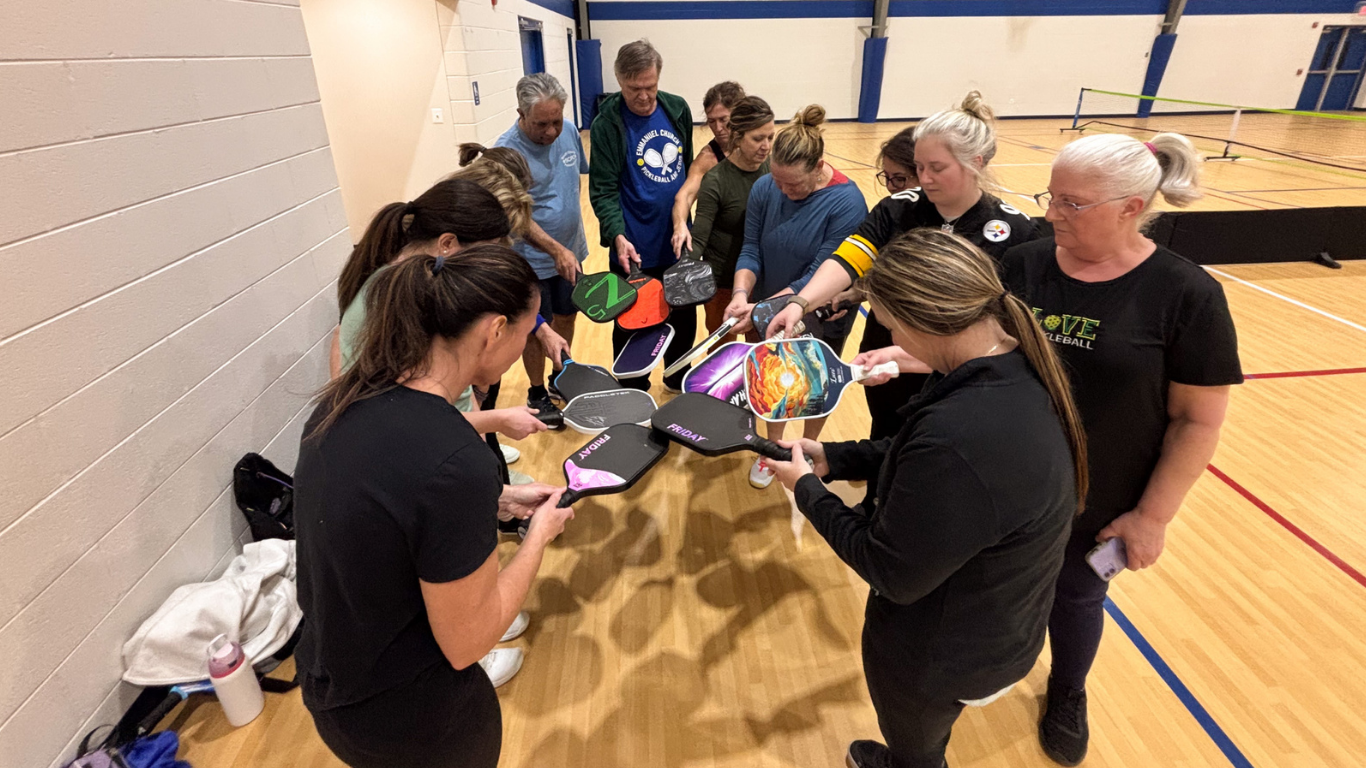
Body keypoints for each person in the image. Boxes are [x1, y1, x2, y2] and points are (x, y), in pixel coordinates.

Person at [764, 228, 1085, 768]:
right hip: (1003, 626)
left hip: (940, 657)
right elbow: (921, 453)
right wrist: (839, 458)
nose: (890, 339)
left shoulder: (960, 434)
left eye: (889, 325)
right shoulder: (1014, 364)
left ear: (917, 320)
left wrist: (808, 491)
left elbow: (888, 569)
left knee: (917, 749)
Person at [1002, 132, 1242, 766]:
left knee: (1076, 597)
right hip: (1008, 478)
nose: (1052, 214)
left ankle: (1067, 690)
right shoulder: (1023, 265)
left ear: (1132, 206)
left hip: (1100, 494)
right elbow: (977, 350)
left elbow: (1197, 421)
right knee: (994, 583)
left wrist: (1153, 517)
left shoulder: (1186, 294)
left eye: (1071, 204)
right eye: (1051, 197)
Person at [295, 245, 575, 768]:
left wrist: (498, 499)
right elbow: (468, 641)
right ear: (494, 331)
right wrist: (538, 536)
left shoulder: (341, 403)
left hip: (330, 684)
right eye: (523, 334)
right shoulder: (454, 466)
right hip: (416, 723)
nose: (521, 350)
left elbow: (393, 497)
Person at [722, 104, 868, 488]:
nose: (782, 192)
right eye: (778, 182)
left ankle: (804, 450)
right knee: (774, 381)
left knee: (813, 386)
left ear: (819, 167)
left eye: (793, 186)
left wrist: (761, 305)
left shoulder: (848, 204)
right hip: (769, 304)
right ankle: (774, 452)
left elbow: (817, 277)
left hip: (823, 310)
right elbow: (751, 247)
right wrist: (741, 294)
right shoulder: (766, 186)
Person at [588, 38, 697, 391]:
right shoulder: (607, 124)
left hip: (677, 240)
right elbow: (602, 189)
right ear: (619, 82)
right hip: (631, 244)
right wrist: (617, 235)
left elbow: (687, 174)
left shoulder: (677, 109)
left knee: (683, 314)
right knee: (632, 320)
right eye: (635, 89)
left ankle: (678, 376)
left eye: (651, 86)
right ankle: (634, 385)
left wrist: (685, 220)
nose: (645, 96)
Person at [491, 73, 590, 419]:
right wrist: (554, 248)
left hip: (571, 251)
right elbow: (515, 214)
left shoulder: (570, 132)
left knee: (566, 315)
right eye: (540, 124)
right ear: (520, 112)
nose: (550, 132)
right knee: (533, 328)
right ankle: (536, 392)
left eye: (556, 121)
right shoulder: (506, 152)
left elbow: (573, 177)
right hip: (529, 261)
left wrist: (570, 239)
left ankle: (558, 376)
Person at [684, 95, 775, 343]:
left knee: (761, 353)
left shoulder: (774, 170)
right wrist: (682, 272)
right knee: (723, 355)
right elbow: (699, 238)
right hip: (722, 284)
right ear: (737, 136)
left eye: (770, 137)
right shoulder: (715, 179)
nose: (766, 146)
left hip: (762, 282)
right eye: (758, 139)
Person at [670, 80, 746, 256]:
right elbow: (684, 196)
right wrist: (680, 224)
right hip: (722, 251)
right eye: (711, 121)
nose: (718, 129)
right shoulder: (707, 159)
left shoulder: (758, 147)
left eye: (724, 120)